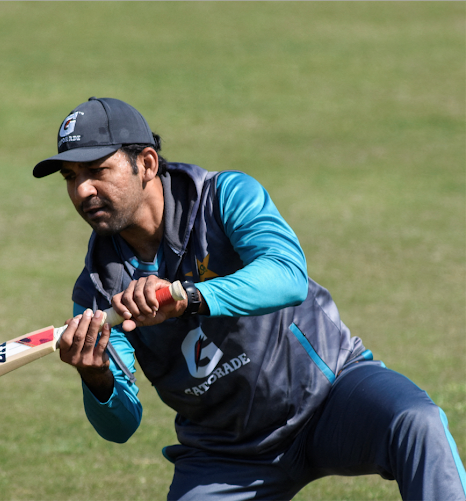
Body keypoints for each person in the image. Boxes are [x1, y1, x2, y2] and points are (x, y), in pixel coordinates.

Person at [32, 97, 465, 500]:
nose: (82, 191)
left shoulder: (225, 197)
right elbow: (121, 426)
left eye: (97, 170)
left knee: (416, 423)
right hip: (226, 453)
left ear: (145, 163)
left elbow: (287, 275)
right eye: (71, 178)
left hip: (329, 395)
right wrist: (97, 379)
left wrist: (188, 297)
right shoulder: (95, 292)